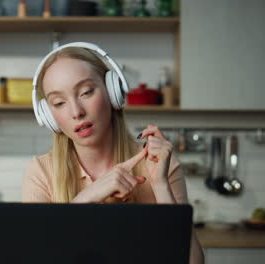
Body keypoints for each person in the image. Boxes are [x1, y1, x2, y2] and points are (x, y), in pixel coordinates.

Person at [22, 42, 204, 264]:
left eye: (86, 92)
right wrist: (87, 198)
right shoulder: (42, 171)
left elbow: (193, 262)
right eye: (59, 103)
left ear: (112, 92)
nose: (76, 112)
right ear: (49, 117)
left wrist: (160, 186)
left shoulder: (160, 164)